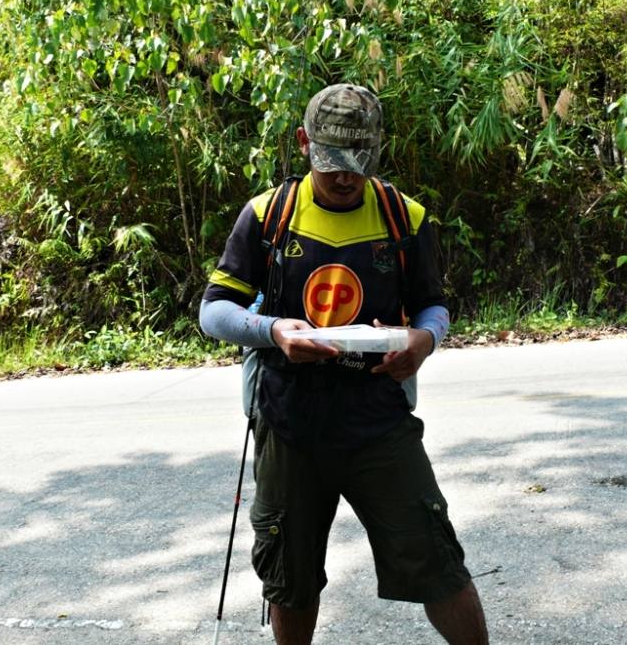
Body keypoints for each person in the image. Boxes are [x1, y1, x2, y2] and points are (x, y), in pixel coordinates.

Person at [199, 83, 489, 644]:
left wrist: (423, 343)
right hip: (290, 426)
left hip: (380, 424)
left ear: (378, 148)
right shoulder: (268, 216)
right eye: (331, 160)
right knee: (290, 580)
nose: (344, 175)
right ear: (305, 143)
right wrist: (273, 330)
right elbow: (214, 312)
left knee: (438, 562)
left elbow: (433, 305)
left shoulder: (404, 217)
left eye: (359, 160)